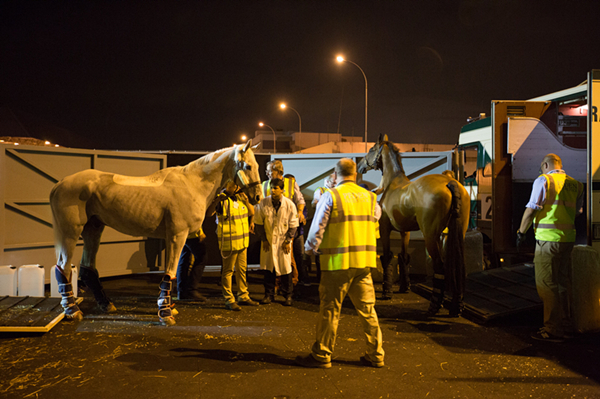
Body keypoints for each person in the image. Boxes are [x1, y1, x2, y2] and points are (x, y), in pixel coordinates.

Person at [296, 158, 384, 369]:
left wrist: (309, 250)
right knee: (368, 310)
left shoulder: (331, 196)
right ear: (355, 175)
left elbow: (318, 228)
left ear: (335, 176)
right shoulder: (371, 198)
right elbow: (374, 221)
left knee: (330, 309)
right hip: (363, 263)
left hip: (337, 264)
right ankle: (376, 354)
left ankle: (322, 354)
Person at [517, 153, 583, 343]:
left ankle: (553, 329)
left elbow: (531, 209)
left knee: (546, 284)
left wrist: (521, 232)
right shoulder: (576, 184)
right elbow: (577, 212)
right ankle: (566, 325)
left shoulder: (544, 180)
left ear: (546, 165)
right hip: (568, 239)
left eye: (541, 167)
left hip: (547, 240)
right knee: (562, 283)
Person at [214, 180, 259, 311]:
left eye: (237, 185)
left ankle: (243, 296)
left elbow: (251, 212)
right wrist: (217, 201)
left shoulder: (240, 198)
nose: (236, 187)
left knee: (242, 270)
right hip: (229, 242)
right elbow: (210, 212)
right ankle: (229, 299)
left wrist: (246, 200)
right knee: (228, 272)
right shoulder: (222, 199)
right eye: (233, 185)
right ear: (226, 186)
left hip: (242, 241)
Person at [254, 177, 299, 306]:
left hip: (283, 242)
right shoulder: (263, 203)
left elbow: (293, 224)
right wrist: (263, 239)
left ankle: (287, 295)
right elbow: (258, 223)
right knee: (269, 269)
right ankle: (268, 294)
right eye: (271, 188)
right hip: (268, 241)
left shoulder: (289, 204)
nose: (272, 191)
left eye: (275, 188)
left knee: (286, 269)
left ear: (282, 190)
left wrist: (287, 240)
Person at [263, 160, 309, 285]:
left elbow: (300, 200)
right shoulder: (265, 185)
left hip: (287, 227)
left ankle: (291, 283)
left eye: (269, 170)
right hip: (271, 226)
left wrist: (300, 212)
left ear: (278, 171)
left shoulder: (290, 184)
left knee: (288, 255)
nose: (266, 173)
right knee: (273, 256)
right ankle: (278, 284)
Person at [310, 173, 336, 281]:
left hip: (334, 225)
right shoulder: (320, 190)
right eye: (333, 182)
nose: (335, 184)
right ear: (328, 182)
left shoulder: (338, 192)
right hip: (323, 224)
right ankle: (320, 277)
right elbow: (313, 203)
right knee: (320, 252)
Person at [176, 231, 208, 302]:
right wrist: (200, 231)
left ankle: (182, 291)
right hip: (192, 233)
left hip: (183, 232)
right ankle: (191, 289)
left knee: (185, 257)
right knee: (201, 257)